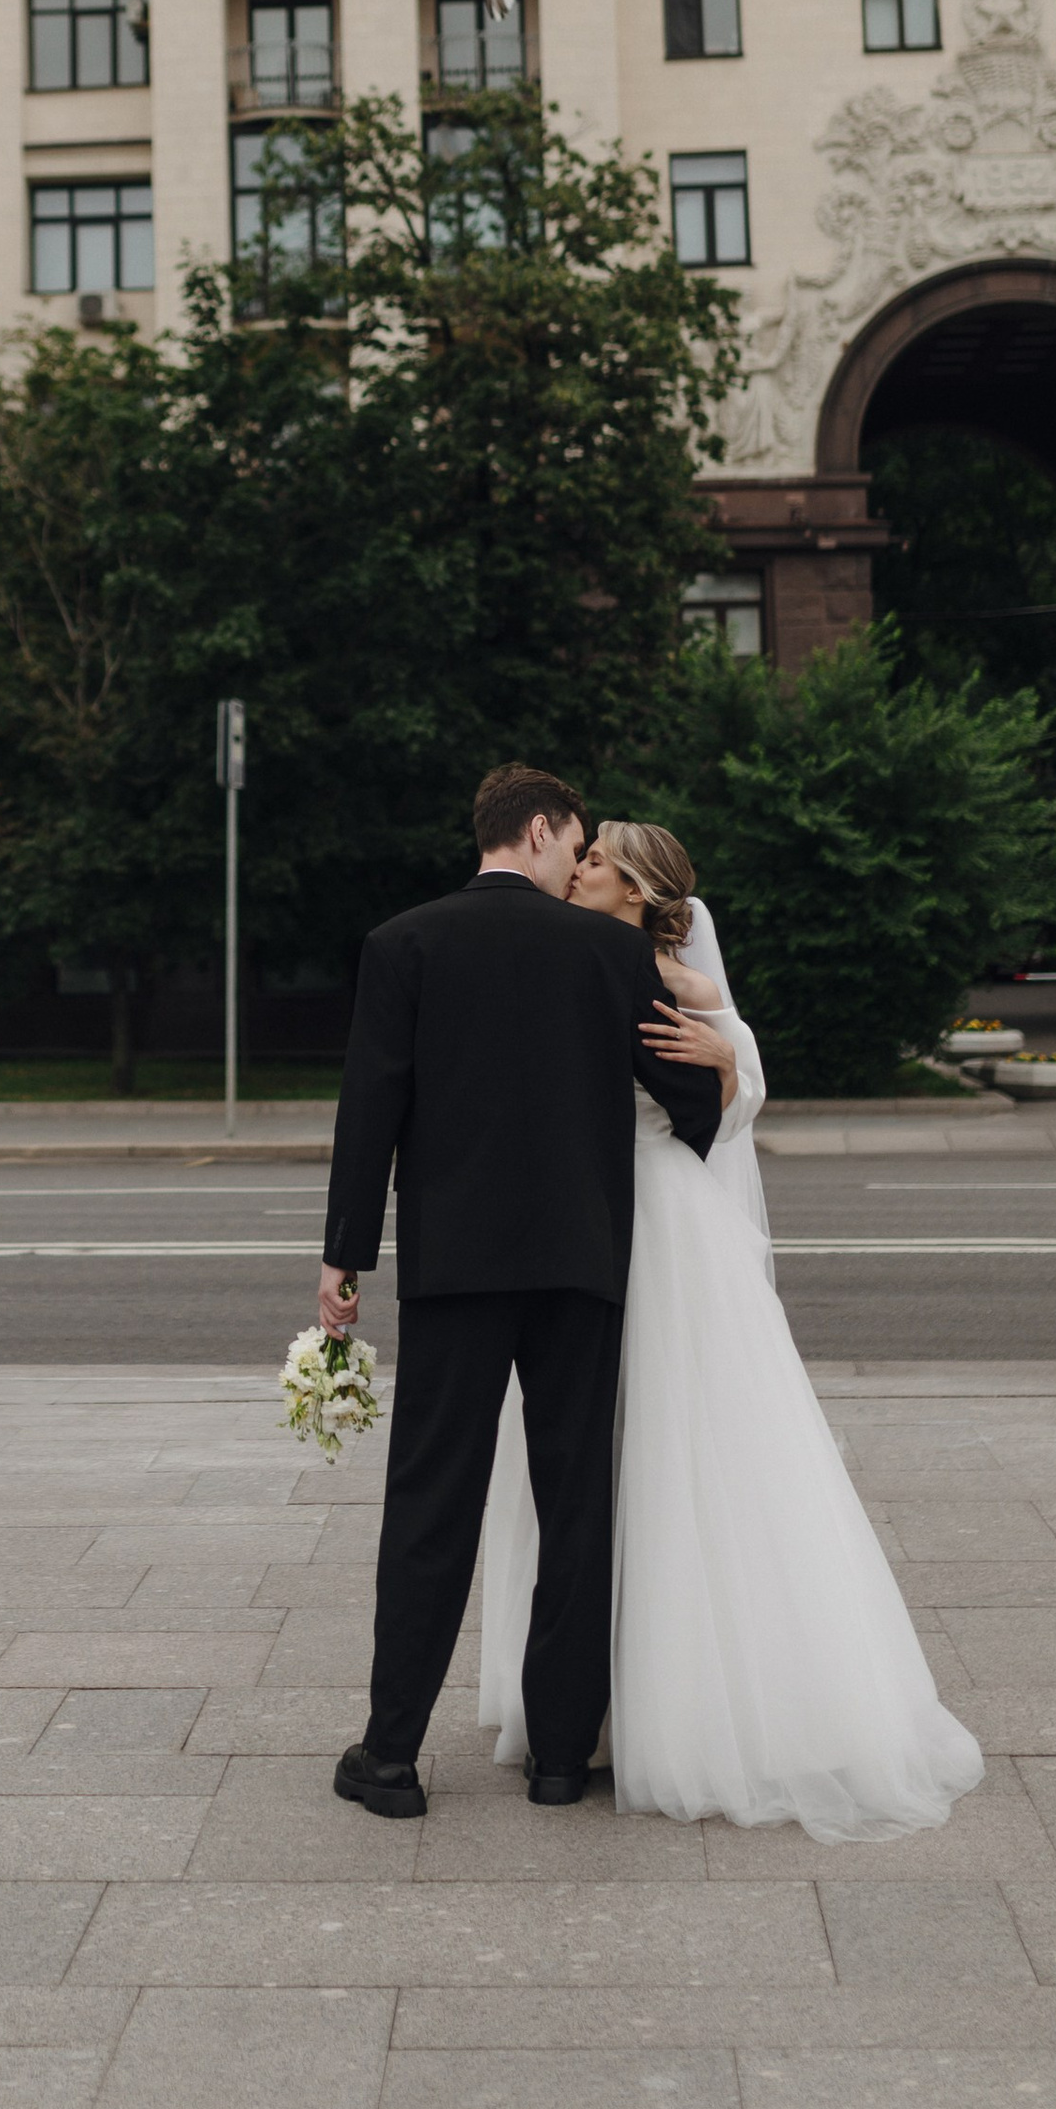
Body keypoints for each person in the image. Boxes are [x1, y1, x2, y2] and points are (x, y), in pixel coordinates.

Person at [479, 820, 984, 1842]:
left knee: (680, 1444)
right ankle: (590, 1697)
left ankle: (688, 1700)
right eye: (574, 856)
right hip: (589, 1210)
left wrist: (729, 1059)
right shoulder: (574, 950)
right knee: (588, 1455)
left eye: (594, 863)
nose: (575, 869)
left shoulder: (675, 975)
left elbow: (738, 1084)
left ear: (634, 889)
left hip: (660, 1218)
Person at [318, 766, 735, 1819]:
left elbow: (370, 1109)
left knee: (429, 1501)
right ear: (540, 829)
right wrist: (725, 1056)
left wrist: (344, 1259)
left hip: (455, 1270)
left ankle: (393, 1757)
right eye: (575, 841)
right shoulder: (606, 950)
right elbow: (691, 1098)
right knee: (574, 1501)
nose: (576, 861)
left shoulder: (401, 943)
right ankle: (558, 1759)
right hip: (579, 1264)